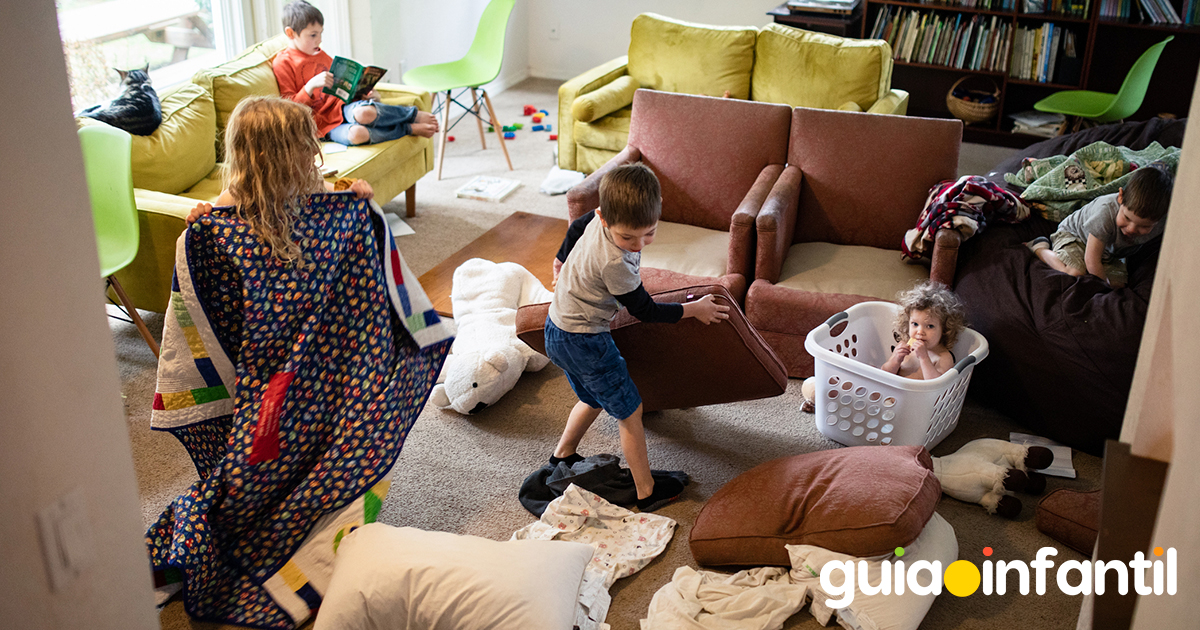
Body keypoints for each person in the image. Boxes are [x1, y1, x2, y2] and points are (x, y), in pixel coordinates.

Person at [546, 163, 729, 512]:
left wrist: (561, 259)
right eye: (628, 237)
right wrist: (694, 309)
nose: (638, 244)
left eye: (649, 233)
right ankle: (646, 491)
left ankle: (562, 456)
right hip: (586, 340)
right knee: (631, 413)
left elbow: (578, 225)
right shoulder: (615, 262)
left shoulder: (596, 220)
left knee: (593, 397)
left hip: (556, 329)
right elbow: (645, 310)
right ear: (604, 218)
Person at [186, 96, 375, 254]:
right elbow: (216, 242)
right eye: (304, 147)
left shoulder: (309, 183)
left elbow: (340, 194)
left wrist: (355, 191)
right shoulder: (234, 199)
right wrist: (201, 222)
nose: (315, 152)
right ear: (270, 158)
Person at [272, 0, 438, 146]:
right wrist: (310, 86)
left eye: (321, 33)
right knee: (357, 135)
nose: (319, 40)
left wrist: (363, 92)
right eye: (313, 35)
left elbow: (341, 88)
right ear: (290, 33)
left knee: (364, 112)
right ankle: (407, 128)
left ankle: (411, 114)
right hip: (321, 126)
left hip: (343, 108)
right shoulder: (283, 62)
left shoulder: (320, 54)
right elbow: (289, 110)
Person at [1025, 164, 1173, 289]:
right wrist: (1104, 286)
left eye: (1144, 226)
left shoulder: (1163, 222)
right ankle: (1039, 248)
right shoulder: (1105, 213)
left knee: (1119, 285)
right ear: (1120, 197)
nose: (1131, 229)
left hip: (1110, 252)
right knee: (1076, 273)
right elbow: (1092, 260)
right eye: (1127, 218)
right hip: (1076, 237)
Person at [880, 281, 967, 380]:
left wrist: (924, 358)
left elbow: (937, 386)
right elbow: (884, 374)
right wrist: (896, 359)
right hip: (893, 389)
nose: (920, 332)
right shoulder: (904, 345)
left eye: (930, 326)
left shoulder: (943, 357)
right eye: (915, 324)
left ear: (944, 329)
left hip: (918, 391)